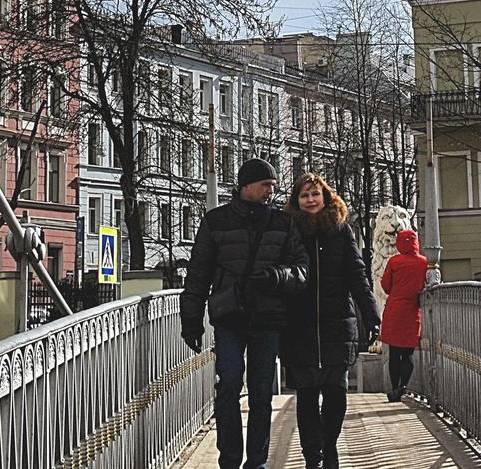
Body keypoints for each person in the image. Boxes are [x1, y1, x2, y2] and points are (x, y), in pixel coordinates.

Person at [181, 158, 309, 469]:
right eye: (266, 185)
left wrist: (277, 277)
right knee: (229, 385)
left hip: (268, 318)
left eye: (273, 186)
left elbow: (302, 270)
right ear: (246, 186)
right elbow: (199, 274)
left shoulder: (282, 223)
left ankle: (257, 462)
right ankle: (229, 460)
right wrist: (191, 321)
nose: (271, 191)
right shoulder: (216, 222)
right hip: (230, 318)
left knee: (262, 391)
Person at [281, 173, 381, 469]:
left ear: (325, 197)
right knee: (308, 395)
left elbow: (356, 274)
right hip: (300, 326)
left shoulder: (341, 229)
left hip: (337, 322)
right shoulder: (289, 231)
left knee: (337, 393)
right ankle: (313, 456)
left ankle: (329, 446)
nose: (310, 200)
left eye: (315, 194)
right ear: (296, 201)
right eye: (304, 195)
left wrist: (372, 314)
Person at [378, 227, 429, 402]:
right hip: (412, 311)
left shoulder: (394, 261)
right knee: (408, 354)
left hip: (394, 310)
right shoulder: (424, 262)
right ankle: (402, 387)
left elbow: (385, 286)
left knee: (394, 353)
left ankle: (394, 389)